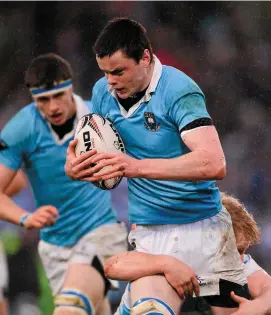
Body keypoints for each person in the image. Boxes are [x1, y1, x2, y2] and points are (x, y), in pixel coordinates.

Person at [65, 18, 250, 314]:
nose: (110, 80)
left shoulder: (179, 90)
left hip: (201, 231)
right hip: (149, 234)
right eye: (105, 72)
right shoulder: (103, 92)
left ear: (146, 58)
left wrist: (135, 167)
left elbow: (213, 162)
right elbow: (97, 147)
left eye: (119, 71)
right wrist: (76, 168)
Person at [0, 53, 127, 315]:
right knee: (91, 307)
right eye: (43, 100)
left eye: (59, 96)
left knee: (70, 308)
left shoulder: (100, 117)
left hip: (100, 233)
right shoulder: (22, 128)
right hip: (56, 248)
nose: (53, 107)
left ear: (71, 88)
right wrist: (25, 218)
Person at [105, 193, 271, 315]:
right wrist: (166, 264)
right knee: (155, 280)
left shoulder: (239, 266)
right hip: (149, 306)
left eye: (243, 250)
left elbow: (267, 288)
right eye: (236, 251)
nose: (240, 259)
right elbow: (112, 265)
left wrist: (257, 307)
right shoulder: (173, 250)